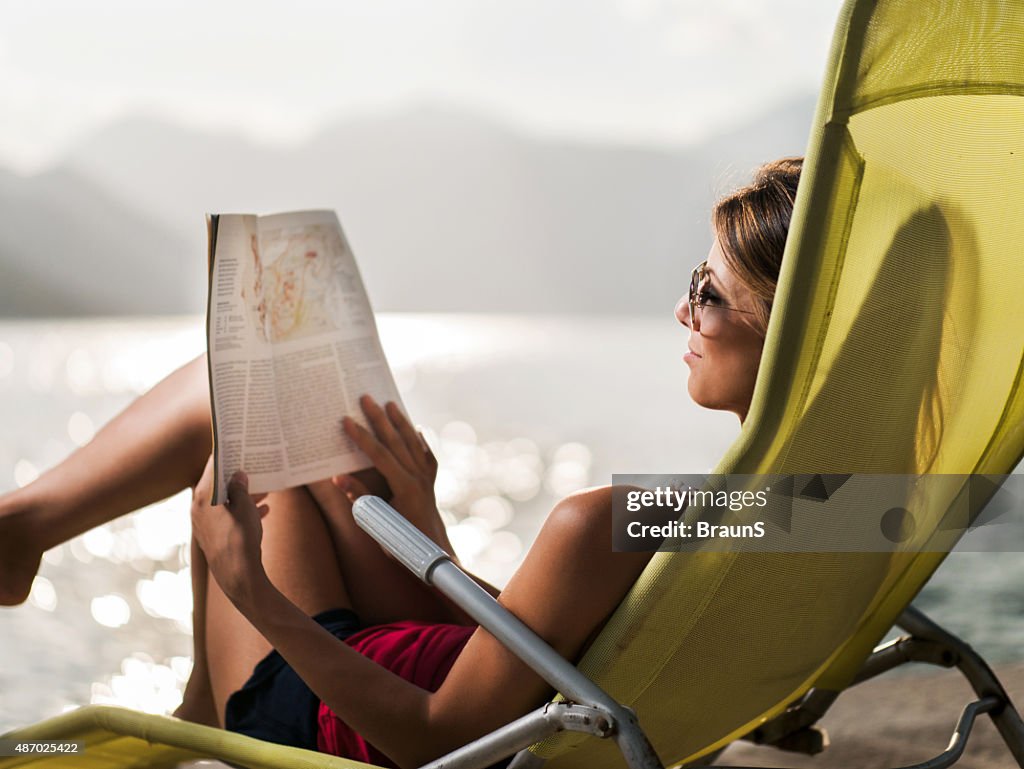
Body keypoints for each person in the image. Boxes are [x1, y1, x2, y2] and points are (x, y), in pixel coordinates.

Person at [0, 157, 803, 769]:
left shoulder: (602, 523)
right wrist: (422, 523)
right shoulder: (847, 505)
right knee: (298, 414)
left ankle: (49, 552)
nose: (681, 310)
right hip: (439, 670)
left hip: (344, 716)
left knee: (240, 409)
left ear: (783, 328)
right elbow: (559, 643)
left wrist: (254, 595)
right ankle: (31, 536)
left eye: (709, 291)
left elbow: (437, 737)